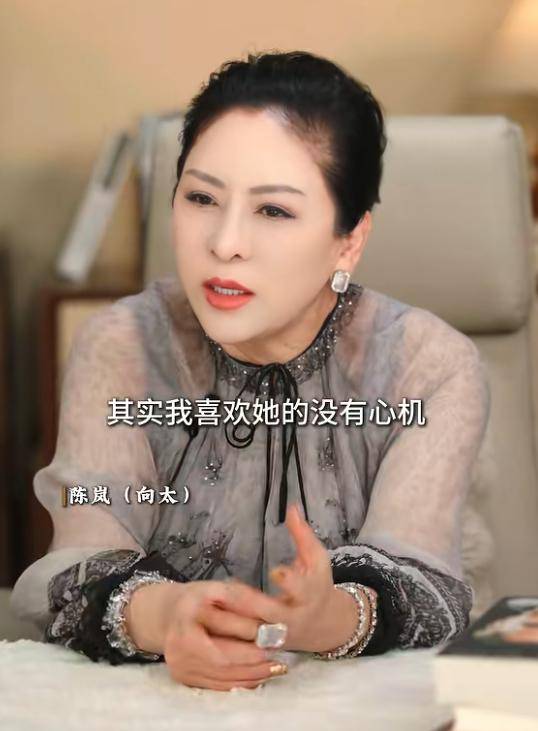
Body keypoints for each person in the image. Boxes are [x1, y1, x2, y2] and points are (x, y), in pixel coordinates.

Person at [11, 50, 490, 692]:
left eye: (273, 211)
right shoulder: (122, 346)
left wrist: (326, 616)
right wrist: (166, 616)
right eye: (201, 197)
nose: (224, 243)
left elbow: (425, 583)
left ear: (349, 240)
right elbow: (79, 555)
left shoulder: (427, 367)